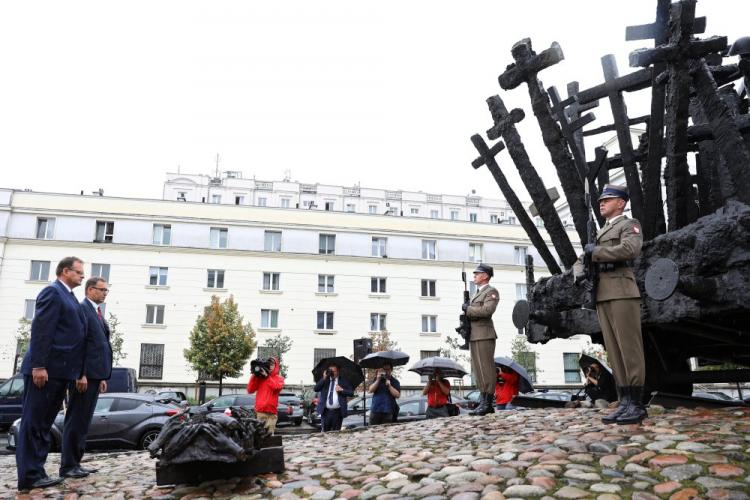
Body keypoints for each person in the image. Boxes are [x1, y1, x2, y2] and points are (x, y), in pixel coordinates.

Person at [16, 256, 87, 490]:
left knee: (44, 424)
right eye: (78, 272)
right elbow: (41, 330)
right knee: (34, 424)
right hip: (45, 372)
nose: (82, 276)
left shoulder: (69, 296)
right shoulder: (52, 293)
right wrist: (38, 365)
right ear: (65, 271)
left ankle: (37, 472)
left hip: (60, 372)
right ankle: (29, 475)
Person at [582, 184, 646, 425]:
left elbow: (630, 249)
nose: (602, 203)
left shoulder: (629, 225)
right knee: (615, 351)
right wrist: (580, 269)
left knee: (629, 347)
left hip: (621, 290)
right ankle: (625, 400)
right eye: (601, 200)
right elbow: (585, 257)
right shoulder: (600, 232)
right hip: (603, 293)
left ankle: (637, 403)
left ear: (621, 203)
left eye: (607, 199)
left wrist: (596, 252)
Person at [60, 277, 113, 479]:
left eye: (106, 290)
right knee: (76, 420)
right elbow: (80, 344)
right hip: (83, 377)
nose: (105, 293)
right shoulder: (83, 309)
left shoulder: (96, 312)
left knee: (83, 422)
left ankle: (76, 463)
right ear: (90, 290)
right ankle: (68, 466)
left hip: (94, 376)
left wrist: (100, 376)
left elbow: (98, 345)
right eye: (102, 290)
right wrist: (80, 373)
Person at [464, 263, 499, 416]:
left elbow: (487, 310)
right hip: (474, 334)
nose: (474, 277)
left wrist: (468, 309)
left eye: (477, 274)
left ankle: (488, 402)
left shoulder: (491, 291)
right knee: (478, 370)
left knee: (486, 368)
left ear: (485, 275)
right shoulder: (476, 294)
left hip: (485, 334)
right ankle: (483, 401)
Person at [246, 357, 285, 435]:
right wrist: (254, 375)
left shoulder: (279, 378)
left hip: (272, 413)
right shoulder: (259, 378)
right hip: (260, 411)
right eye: (268, 364)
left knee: (269, 436)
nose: (270, 366)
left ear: (276, 366)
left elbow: (276, 387)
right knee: (260, 435)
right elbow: (250, 390)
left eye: (272, 365)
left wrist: (267, 377)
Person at [314, 362, 353, 432]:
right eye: (330, 371)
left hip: (337, 412)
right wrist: (323, 378)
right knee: (325, 432)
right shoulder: (325, 380)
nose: (331, 373)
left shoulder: (343, 381)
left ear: (338, 371)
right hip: (325, 412)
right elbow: (316, 388)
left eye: (333, 371)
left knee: (336, 433)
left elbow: (351, 393)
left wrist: (342, 390)